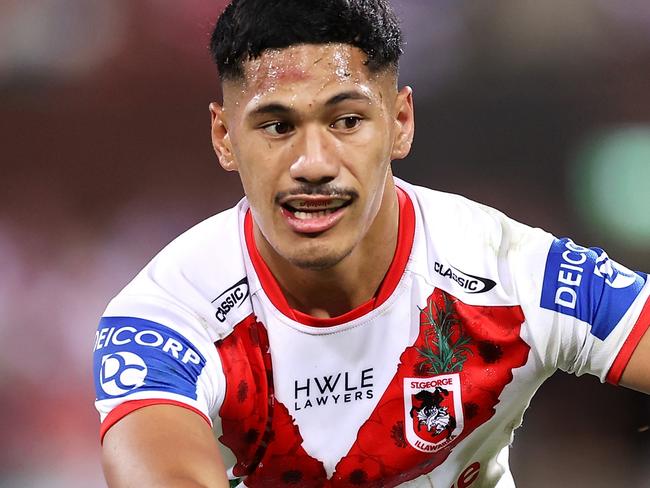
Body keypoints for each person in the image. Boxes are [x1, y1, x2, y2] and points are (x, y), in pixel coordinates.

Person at [93, 1, 650, 486]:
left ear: (401, 122)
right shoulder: (168, 317)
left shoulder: (514, 274)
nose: (313, 165)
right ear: (225, 138)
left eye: (347, 120)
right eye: (276, 126)